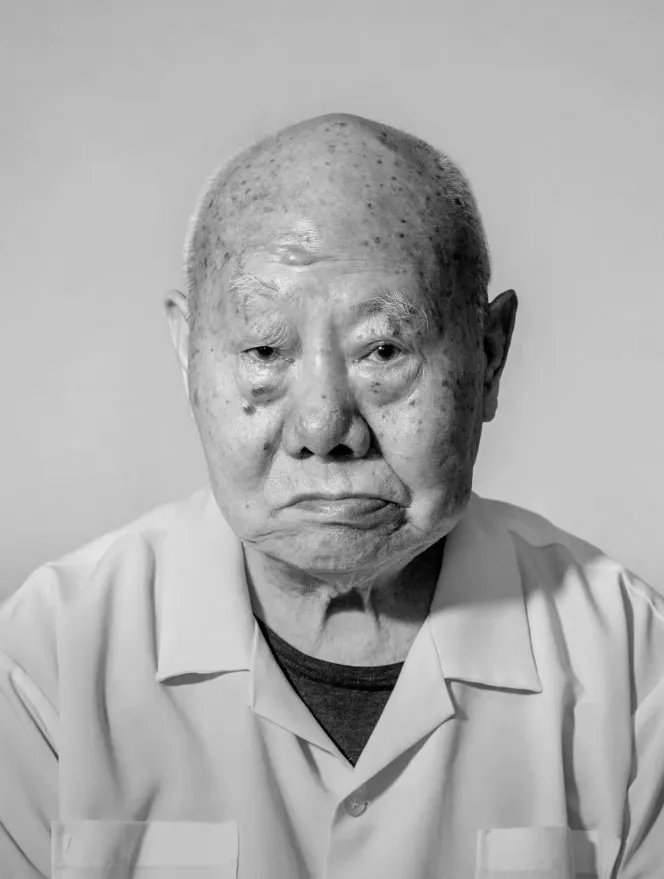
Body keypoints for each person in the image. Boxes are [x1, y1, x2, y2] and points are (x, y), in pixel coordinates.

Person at [1, 113, 662, 879]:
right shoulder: (46, 663)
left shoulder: (632, 667)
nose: (323, 427)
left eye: (383, 349)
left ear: (489, 354)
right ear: (188, 355)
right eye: (264, 349)